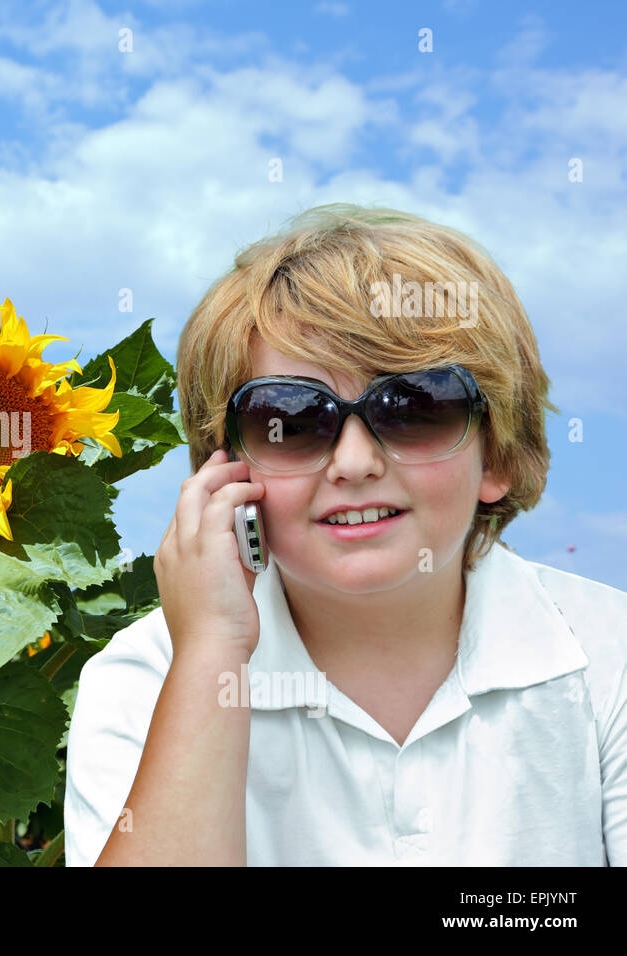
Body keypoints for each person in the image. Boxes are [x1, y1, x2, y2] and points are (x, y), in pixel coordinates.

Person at [64, 203, 627, 866]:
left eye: (416, 408)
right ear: (225, 473)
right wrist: (213, 652)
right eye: (292, 421)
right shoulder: (151, 676)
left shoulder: (606, 656)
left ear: (498, 457)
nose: (355, 463)